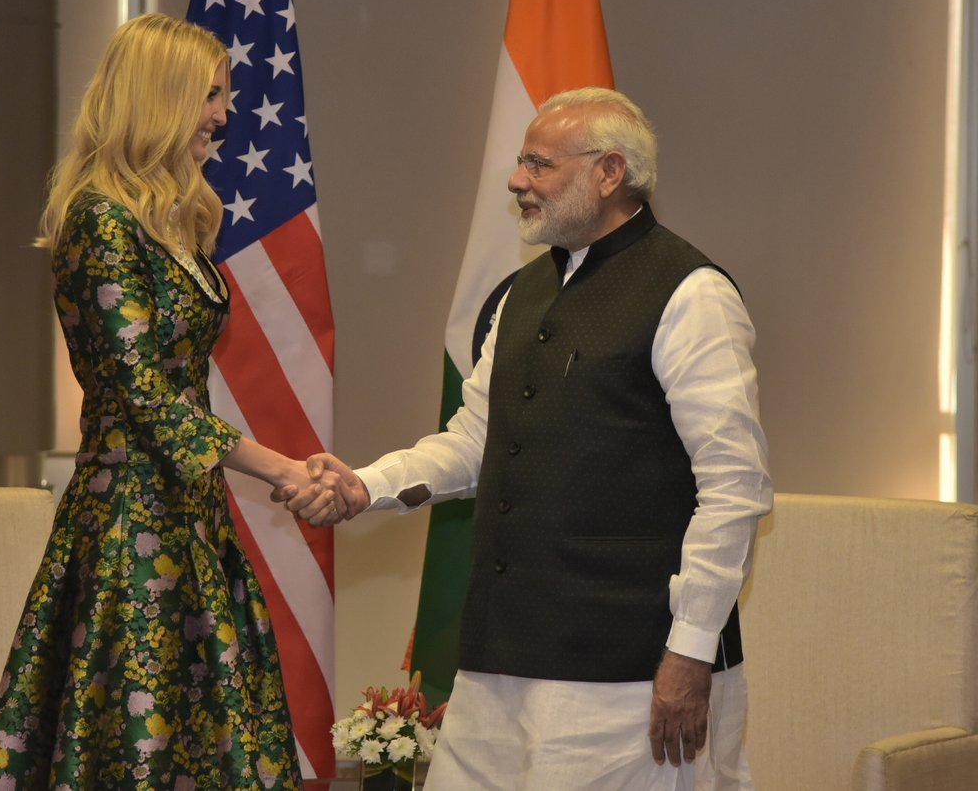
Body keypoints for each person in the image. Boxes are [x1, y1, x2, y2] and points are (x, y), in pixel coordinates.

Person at [284, 87, 773, 790]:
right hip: (497, 659)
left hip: (626, 668)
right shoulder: (520, 293)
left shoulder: (691, 294)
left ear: (610, 173)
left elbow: (735, 487)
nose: (517, 181)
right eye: (520, 163)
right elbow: (474, 442)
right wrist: (369, 485)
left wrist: (690, 652)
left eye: (540, 164)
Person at [0, 14, 311, 791]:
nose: (224, 114)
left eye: (224, 95)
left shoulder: (173, 221)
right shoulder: (100, 217)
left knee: (206, 735)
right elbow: (143, 393)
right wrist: (279, 468)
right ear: (158, 98)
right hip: (130, 527)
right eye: (209, 95)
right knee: (137, 742)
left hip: (186, 512)